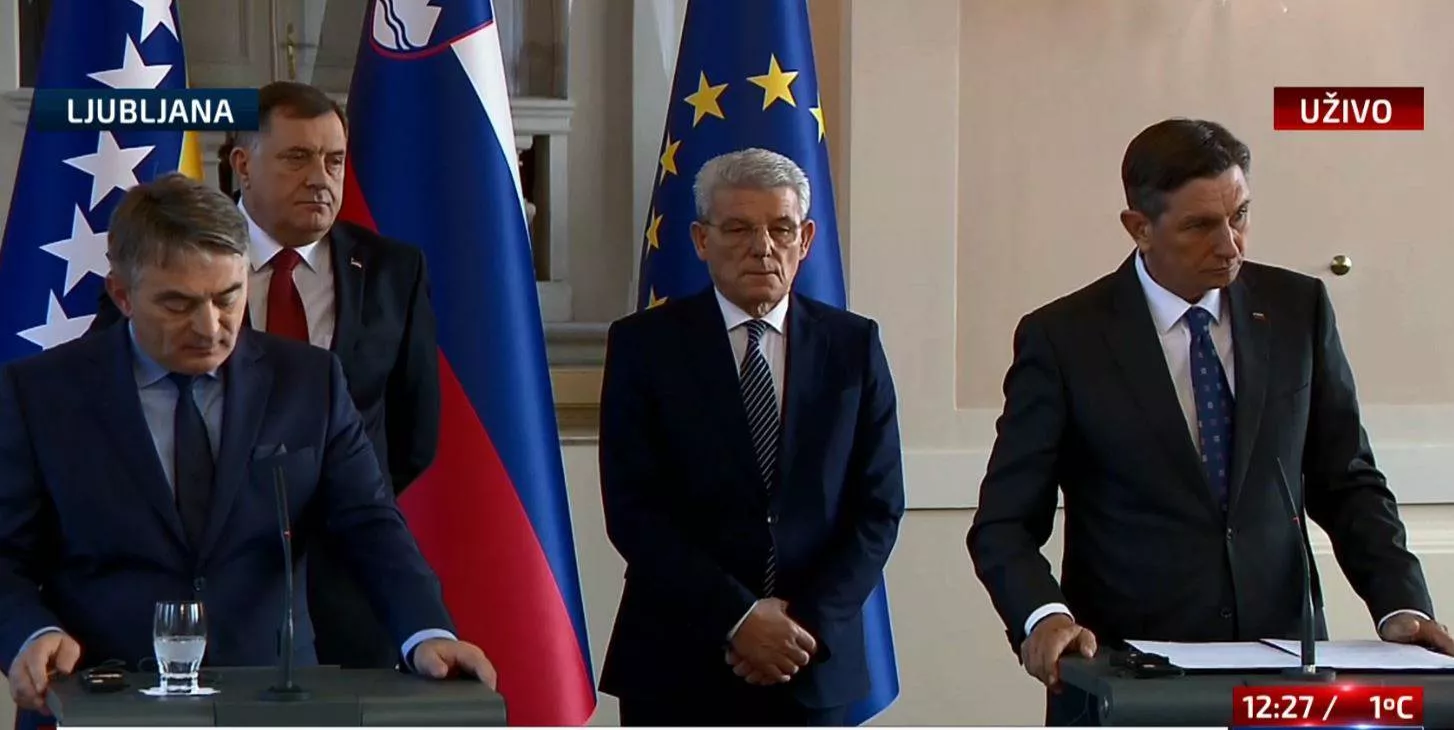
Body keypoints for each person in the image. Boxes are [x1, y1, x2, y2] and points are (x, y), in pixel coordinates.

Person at [966, 117, 1454, 726]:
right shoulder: (1065, 338)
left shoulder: (1297, 310)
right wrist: (1044, 616)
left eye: (1240, 216)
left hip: (1286, 677)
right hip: (1128, 678)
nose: (1230, 245)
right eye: (1200, 226)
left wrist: (1401, 604)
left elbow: (1348, 481)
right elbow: (1004, 523)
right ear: (1139, 228)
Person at [0, 174, 494, 728]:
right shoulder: (39, 394)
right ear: (122, 296)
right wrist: (30, 633)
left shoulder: (309, 382)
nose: (209, 327)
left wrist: (425, 631)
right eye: (178, 304)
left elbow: (370, 523)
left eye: (227, 297)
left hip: (274, 700)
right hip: (99, 699)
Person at [88, 81, 440, 670]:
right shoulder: (169, 260)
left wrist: (325, 498)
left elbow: (413, 430)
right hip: (212, 596)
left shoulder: (392, 270)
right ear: (243, 165)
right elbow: (112, 402)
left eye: (334, 160)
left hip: (349, 584)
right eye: (297, 157)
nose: (320, 179)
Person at [597, 148, 906, 726]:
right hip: (678, 660)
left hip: (812, 660)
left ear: (806, 239)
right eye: (738, 228)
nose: (762, 247)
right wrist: (740, 619)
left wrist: (801, 626)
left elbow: (879, 507)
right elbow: (634, 511)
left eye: (781, 228)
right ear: (701, 239)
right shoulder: (645, 346)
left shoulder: (853, 346)